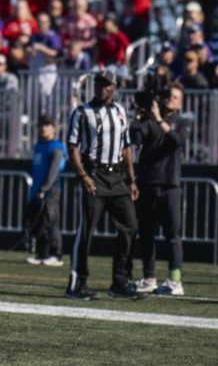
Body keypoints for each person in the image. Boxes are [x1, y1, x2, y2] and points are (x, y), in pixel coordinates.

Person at [65, 69, 142, 300]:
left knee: (130, 225)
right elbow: (72, 146)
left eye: (106, 84)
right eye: (98, 83)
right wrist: (83, 176)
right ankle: (77, 285)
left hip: (117, 176)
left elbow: (127, 146)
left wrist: (132, 178)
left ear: (114, 87)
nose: (101, 87)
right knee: (86, 231)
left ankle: (119, 281)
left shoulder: (120, 111)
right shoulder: (82, 112)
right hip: (95, 175)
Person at [128, 83, 191, 296]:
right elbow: (135, 139)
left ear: (181, 103)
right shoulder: (150, 121)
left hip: (170, 186)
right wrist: (137, 118)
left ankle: (175, 280)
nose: (170, 100)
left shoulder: (182, 122)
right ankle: (149, 277)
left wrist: (158, 119)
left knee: (173, 236)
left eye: (175, 97)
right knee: (146, 234)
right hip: (147, 184)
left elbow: (176, 141)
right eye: (168, 96)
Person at [26, 113, 66, 266]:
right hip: (37, 190)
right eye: (41, 125)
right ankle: (42, 254)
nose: (43, 128)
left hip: (51, 191)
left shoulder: (56, 148)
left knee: (51, 222)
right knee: (40, 223)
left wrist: (44, 188)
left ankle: (56, 254)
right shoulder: (38, 146)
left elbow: (54, 171)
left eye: (47, 125)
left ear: (53, 128)